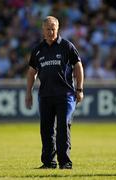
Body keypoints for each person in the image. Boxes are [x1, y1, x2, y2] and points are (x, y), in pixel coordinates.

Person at [25, 16, 84, 169]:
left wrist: (80, 89)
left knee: (63, 127)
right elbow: (32, 72)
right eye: (48, 29)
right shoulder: (38, 49)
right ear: (43, 30)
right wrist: (28, 93)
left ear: (58, 29)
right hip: (45, 95)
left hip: (65, 95)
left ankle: (65, 163)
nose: (51, 32)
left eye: (53, 29)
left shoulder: (67, 46)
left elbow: (78, 67)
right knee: (46, 129)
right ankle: (48, 163)